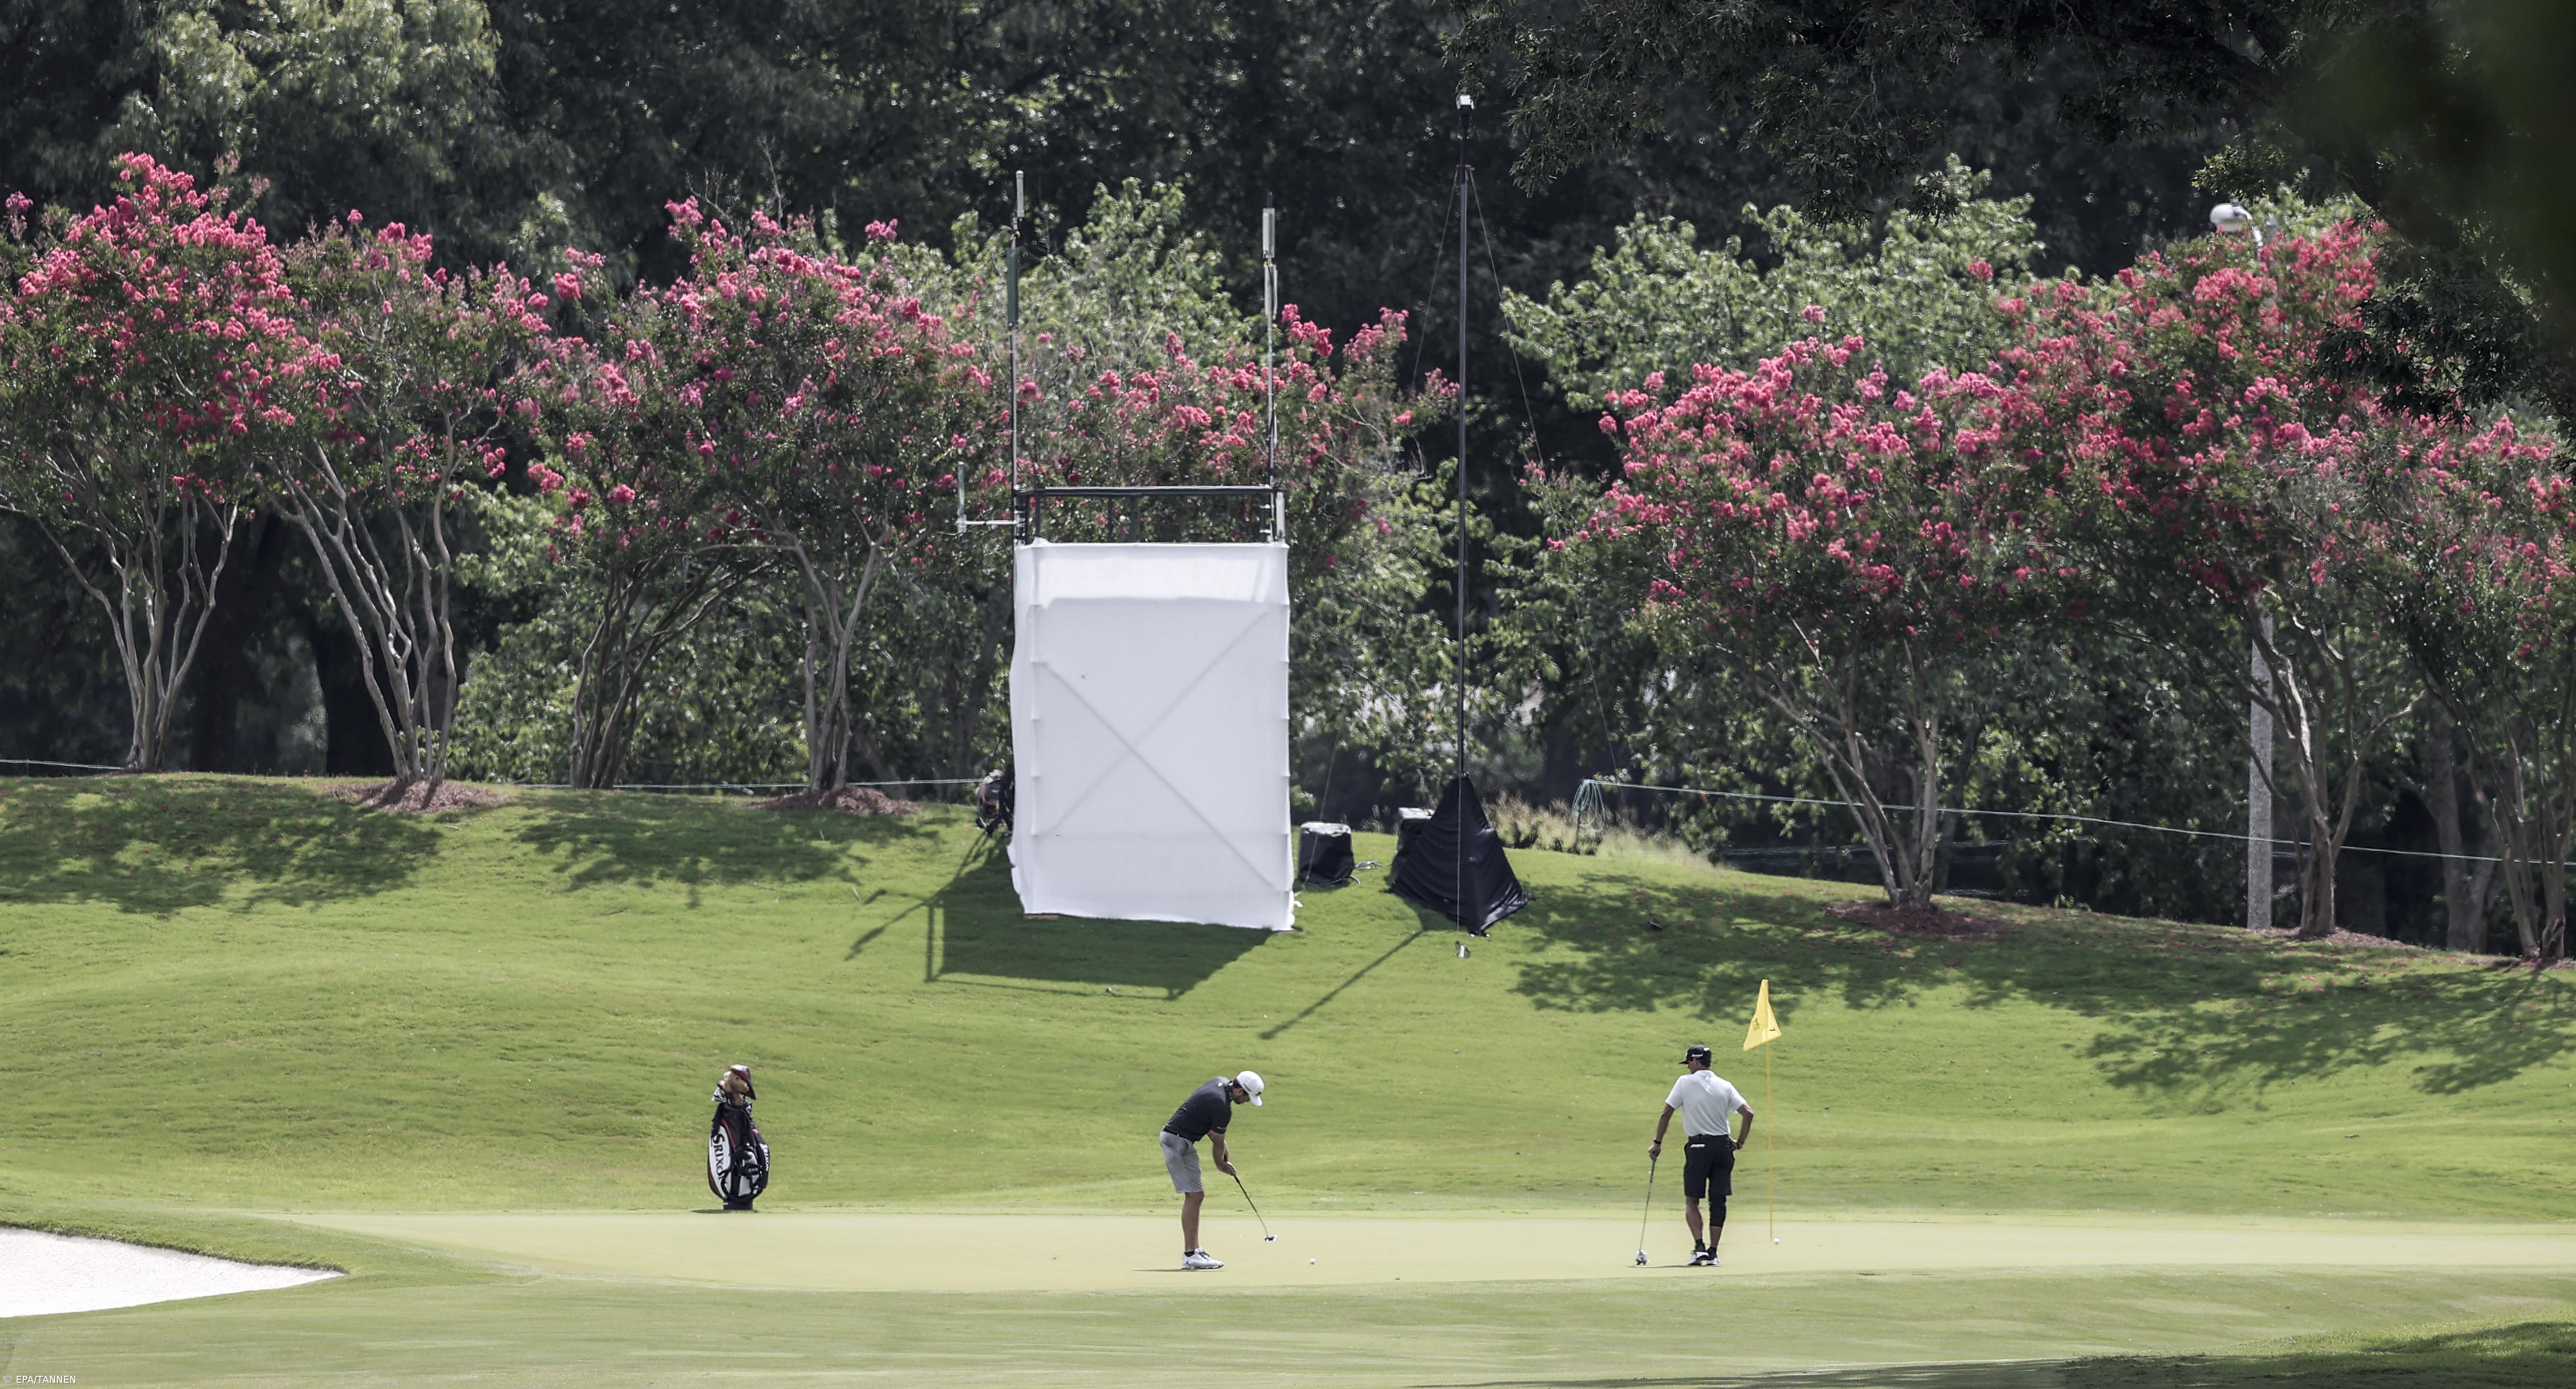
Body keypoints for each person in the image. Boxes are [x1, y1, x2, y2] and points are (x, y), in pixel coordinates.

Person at [1648, 1043, 1754, 1266]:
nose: (1688, 1067)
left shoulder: (1684, 1082)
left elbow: (1666, 1113)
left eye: (1689, 1063)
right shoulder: (1725, 1085)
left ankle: (1699, 1248)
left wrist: (1657, 1143)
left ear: (1696, 1061)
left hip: (1698, 1147)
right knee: (1718, 1201)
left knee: (1692, 1199)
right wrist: (1740, 1143)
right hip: (1723, 1148)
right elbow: (1748, 1113)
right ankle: (1713, 1253)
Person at [1160, 1069, 1264, 1269]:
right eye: (1248, 1098)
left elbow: (1211, 1127)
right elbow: (1217, 1142)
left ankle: (1194, 1252)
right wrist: (1222, 1165)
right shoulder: (1222, 1107)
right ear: (1240, 1091)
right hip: (1177, 1141)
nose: (1247, 1102)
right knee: (1194, 1196)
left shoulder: (1220, 1082)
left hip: (1179, 1139)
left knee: (1196, 1195)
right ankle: (1191, 1256)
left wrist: (1224, 1148)